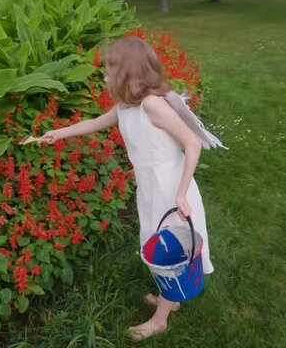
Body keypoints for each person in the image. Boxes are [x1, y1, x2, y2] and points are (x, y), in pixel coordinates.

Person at [40, 36, 215, 341]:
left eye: (110, 70)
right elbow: (95, 122)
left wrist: (181, 192)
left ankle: (160, 319)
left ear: (127, 73)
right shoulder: (126, 107)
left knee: (168, 252)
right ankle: (170, 299)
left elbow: (192, 143)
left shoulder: (151, 105)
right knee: (155, 239)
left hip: (170, 188)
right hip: (150, 187)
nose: (105, 77)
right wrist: (59, 133)